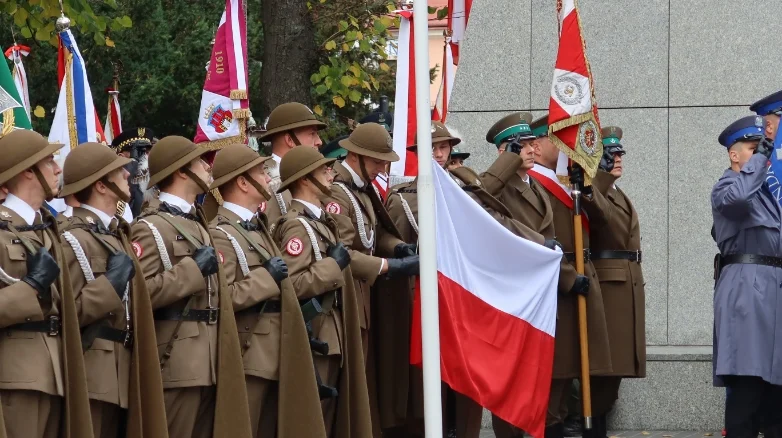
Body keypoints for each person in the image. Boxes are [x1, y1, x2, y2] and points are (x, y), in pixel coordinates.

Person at [382, 121, 539, 438]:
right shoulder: (402, 196)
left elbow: (489, 212)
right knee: (427, 387)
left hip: (463, 300)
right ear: (418, 153)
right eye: (432, 147)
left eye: (443, 147)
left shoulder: (465, 186)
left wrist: (536, 245)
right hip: (424, 300)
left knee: (467, 384)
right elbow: (398, 242)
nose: (439, 153)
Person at [130, 136, 251, 438]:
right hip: (177, 361)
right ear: (182, 171)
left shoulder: (200, 224)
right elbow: (140, 294)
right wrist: (192, 270)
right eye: (200, 161)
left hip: (211, 360)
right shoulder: (149, 227)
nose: (208, 167)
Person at [209, 144, 325, 437]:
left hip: (278, 348)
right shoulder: (220, 233)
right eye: (261, 172)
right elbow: (224, 297)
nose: (267, 177)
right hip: (250, 355)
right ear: (242, 182)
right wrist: (266, 278)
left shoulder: (257, 228)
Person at [57, 142, 167, 438]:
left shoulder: (115, 233)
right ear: (101, 186)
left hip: (126, 369)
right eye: (118, 172)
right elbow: (67, 312)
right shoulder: (71, 237)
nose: (127, 175)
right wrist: (111, 285)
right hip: (92, 373)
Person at [272, 145, 372, 438]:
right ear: (305, 179)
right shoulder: (296, 226)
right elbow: (292, 285)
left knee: (329, 420)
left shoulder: (318, 221)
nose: (331, 173)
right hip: (317, 333)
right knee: (315, 421)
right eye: (324, 169)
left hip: (332, 332)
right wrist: (332, 266)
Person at [0, 129, 93, 438]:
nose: (57, 169)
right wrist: (31, 285)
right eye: (49, 161)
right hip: (17, 376)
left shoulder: (47, 228)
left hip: (58, 371)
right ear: (28, 170)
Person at [525, 114, 613, 438]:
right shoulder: (531, 182)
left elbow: (605, 222)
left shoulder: (569, 180)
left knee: (572, 374)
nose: (565, 145)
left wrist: (586, 188)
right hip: (556, 283)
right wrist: (566, 275)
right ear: (535, 145)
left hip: (580, 275)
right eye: (555, 138)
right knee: (555, 376)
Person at [712, 115, 782, 438]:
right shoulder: (725, 187)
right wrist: (765, 152)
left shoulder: (768, 195)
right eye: (752, 149)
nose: (761, 156)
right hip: (747, 295)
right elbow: (739, 199)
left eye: (761, 148)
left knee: (774, 397)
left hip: (772, 295)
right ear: (734, 155)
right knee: (748, 390)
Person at [326, 122, 419, 360]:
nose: (383, 168)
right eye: (377, 161)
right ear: (356, 156)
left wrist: (399, 248)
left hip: (365, 296)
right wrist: (388, 266)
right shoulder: (337, 191)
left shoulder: (362, 188)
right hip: (345, 299)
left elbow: (375, 232)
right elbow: (341, 252)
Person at [580, 126, 647, 438]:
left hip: (625, 286)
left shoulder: (617, 192)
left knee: (613, 375)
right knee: (602, 374)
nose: (618, 158)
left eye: (619, 153)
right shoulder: (597, 190)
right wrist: (597, 174)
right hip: (608, 288)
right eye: (611, 154)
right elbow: (600, 214)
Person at [259, 102, 326, 223]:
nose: (319, 142)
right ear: (290, 140)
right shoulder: (266, 181)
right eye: (312, 134)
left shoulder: (312, 176)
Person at [110, 127, 156, 221]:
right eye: (138, 153)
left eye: (146, 153)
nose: (144, 158)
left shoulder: (155, 186)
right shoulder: (115, 191)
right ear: (121, 157)